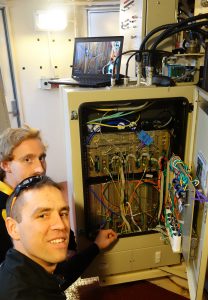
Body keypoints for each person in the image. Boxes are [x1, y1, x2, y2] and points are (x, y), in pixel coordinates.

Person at [0, 175, 117, 300]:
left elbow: (63, 274)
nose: (61, 225)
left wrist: (96, 246)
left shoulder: (21, 269)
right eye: (43, 215)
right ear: (13, 228)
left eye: (63, 213)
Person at [0, 126, 76, 263]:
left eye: (41, 158)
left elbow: (70, 247)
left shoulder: (41, 191)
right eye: (27, 160)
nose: (40, 169)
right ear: (6, 165)